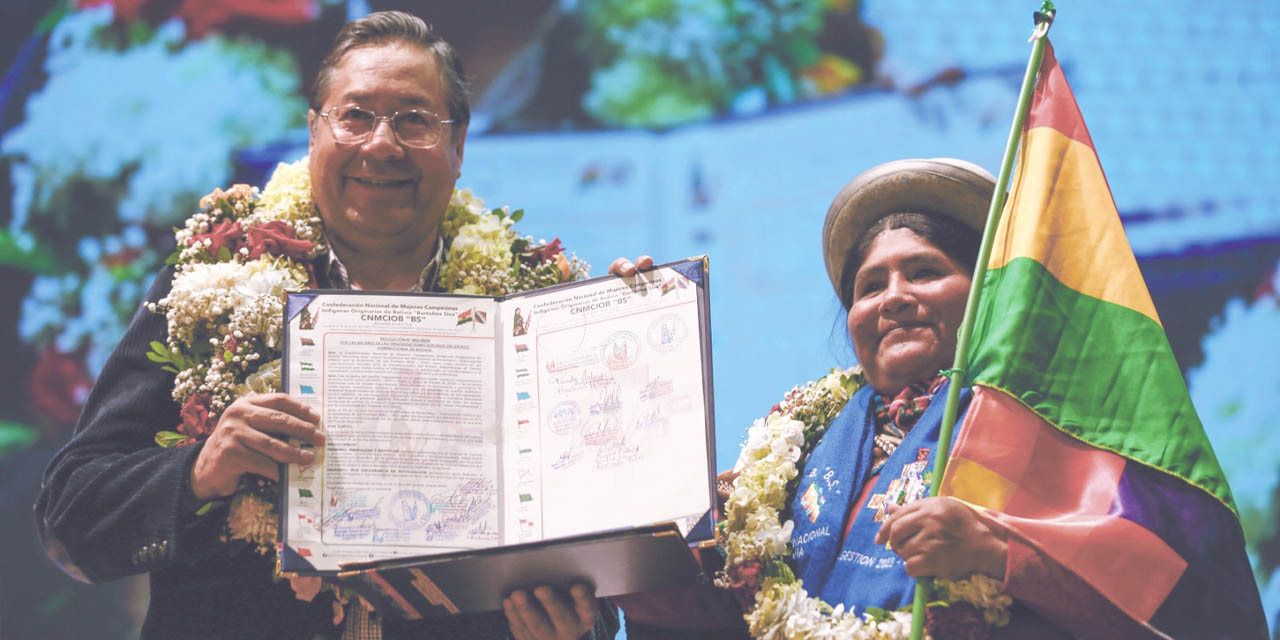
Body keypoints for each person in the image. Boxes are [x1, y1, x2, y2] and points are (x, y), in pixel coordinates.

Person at [35, 11, 621, 640]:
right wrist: (200, 472)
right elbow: (71, 516)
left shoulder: (529, 307)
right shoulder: (214, 280)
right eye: (356, 115)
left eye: (415, 119)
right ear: (314, 131)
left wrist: (572, 627)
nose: (382, 144)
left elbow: (602, 569)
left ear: (459, 146)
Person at [615, 158, 1267, 639]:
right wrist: (635, 347)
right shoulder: (798, 446)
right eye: (869, 287)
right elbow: (723, 622)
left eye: (924, 271)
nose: (892, 297)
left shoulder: (1050, 427)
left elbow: (1179, 610)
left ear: (987, 299)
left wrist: (999, 557)